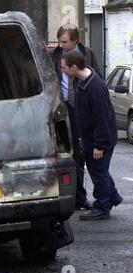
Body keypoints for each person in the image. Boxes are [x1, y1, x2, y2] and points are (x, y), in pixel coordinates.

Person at [61, 51, 123, 220]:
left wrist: (99, 145)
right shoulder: (82, 82)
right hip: (91, 139)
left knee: (98, 172)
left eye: (64, 68)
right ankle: (113, 196)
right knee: (99, 170)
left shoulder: (94, 87)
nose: (63, 71)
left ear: (74, 67)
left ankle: (102, 207)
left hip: (100, 140)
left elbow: (102, 118)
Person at [52, 24, 102, 211]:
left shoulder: (88, 54)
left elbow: (98, 77)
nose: (61, 45)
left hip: (82, 108)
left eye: (64, 41)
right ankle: (74, 197)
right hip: (64, 110)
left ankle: (88, 198)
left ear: (76, 41)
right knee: (67, 153)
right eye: (59, 41)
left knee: (84, 154)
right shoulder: (55, 56)